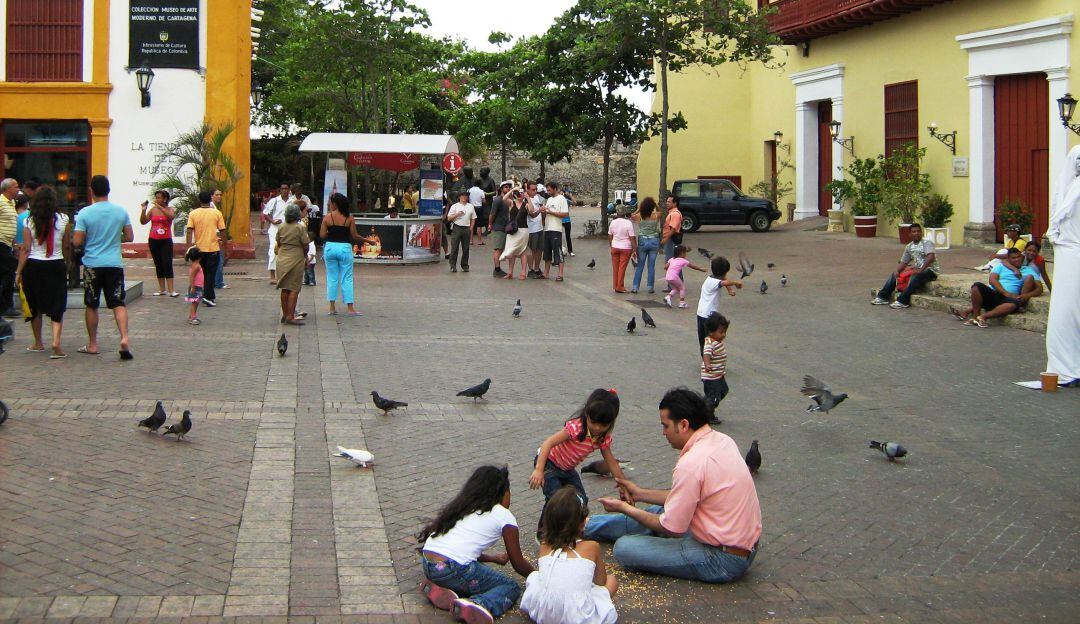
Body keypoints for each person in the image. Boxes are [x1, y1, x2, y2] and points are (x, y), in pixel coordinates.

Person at [583, 387, 762, 583]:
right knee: (657, 509)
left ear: (683, 425)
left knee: (625, 548)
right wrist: (640, 493)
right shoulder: (722, 441)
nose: (663, 433)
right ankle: (584, 526)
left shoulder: (692, 463)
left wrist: (625, 508)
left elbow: (671, 527)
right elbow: (687, 497)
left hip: (722, 559)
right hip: (741, 544)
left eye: (665, 426)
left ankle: (588, 527)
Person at [418, 465, 535, 624]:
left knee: (466, 576)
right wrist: (539, 578)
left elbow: (460, 547)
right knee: (510, 586)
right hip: (453, 568)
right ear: (502, 493)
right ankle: (478, 604)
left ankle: (445, 589)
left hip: (429, 564)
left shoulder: (464, 506)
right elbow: (518, 564)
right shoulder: (505, 516)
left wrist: (492, 558)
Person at [530, 389, 628, 538]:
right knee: (555, 498)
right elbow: (547, 444)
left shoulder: (603, 438)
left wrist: (624, 485)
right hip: (549, 463)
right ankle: (543, 535)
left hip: (567, 469)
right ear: (587, 415)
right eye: (593, 422)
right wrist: (538, 470)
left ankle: (572, 531)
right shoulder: (576, 428)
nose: (596, 428)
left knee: (581, 499)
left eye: (602, 425)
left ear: (611, 423)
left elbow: (612, 464)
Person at [519, 486, 618, 624]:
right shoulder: (592, 546)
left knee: (535, 576)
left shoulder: (544, 545)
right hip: (578, 618)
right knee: (612, 580)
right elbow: (601, 582)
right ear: (582, 523)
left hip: (545, 613)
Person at [74, 175, 134, 359]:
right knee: (118, 302)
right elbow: (130, 237)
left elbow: (77, 241)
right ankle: (124, 338)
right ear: (109, 190)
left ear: (91, 191)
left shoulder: (85, 213)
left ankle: (92, 344)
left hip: (92, 263)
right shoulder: (120, 211)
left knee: (91, 304)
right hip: (114, 263)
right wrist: (115, 238)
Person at [14, 185, 71, 358]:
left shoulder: (28, 221)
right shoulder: (63, 219)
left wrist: (18, 272)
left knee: (35, 305)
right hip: (55, 264)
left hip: (34, 266)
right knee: (57, 304)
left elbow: (26, 249)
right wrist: (68, 263)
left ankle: (38, 342)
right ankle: (56, 342)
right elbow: (66, 245)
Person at [1046, 144, 1080, 386]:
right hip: (1070, 254)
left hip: (1071, 252)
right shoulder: (1069, 188)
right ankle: (1067, 367)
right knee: (1066, 313)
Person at [951, 247, 1042, 328]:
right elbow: (992, 280)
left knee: (1012, 305)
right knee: (976, 286)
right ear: (1008, 259)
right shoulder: (1001, 266)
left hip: (1009, 299)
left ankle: (983, 317)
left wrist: (1026, 295)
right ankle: (975, 317)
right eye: (1013, 258)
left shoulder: (1028, 270)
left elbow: (1039, 288)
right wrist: (1005, 292)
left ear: (1022, 257)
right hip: (995, 293)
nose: (1017, 259)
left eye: (1018, 257)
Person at [870, 223, 939, 309]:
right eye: (914, 232)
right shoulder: (909, 246)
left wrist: (920, 270)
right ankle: (883, 297)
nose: (916, 233)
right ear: (910, 234)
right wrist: (897, 271)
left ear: (921, 233)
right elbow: (904, 262)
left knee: (916, 276)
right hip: (918, 269)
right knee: (894, 274)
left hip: (930, 270)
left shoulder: (927, 243)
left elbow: (930, 257)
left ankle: (903, 301)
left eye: (918, 231)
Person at [321, 193, 368, 316]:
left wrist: (330, 236)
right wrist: (368, 241)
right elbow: (355, 236)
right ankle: (350, 308)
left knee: (332, 277)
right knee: (347, 277)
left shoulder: (327, 217)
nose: (330, 204)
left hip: (330, 247)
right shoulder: (349, 218)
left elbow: (322, 235)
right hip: (344, 248)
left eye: (331, 202)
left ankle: (332, 307)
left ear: (335, 203)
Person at [184, 191, 226, 308]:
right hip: (213, 248)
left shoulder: (193, 213)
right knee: (210, 274)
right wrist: (225, 247)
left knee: (198, 273)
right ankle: (208, 296)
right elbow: (222, 231)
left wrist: (188, 247)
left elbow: (189, 230)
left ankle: (198, 295)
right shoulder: (217, 213)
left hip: (198, 250)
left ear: (199, 200)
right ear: (210, 199)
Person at [275, 205, 310, 325]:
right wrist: (306, 257)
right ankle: (290, 316)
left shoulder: (281, 226)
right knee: (294, 288)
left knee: (284, 287)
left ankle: (285, 315)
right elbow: (305, 245)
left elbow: (278, 242)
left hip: (282, 258)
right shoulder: (299, 228)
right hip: (296, 258)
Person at [141, 190, 177, 297]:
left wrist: (161, 207)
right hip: (153, 239)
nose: (157, 199)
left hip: (166, 240)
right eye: (156, 197)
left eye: (159, 197)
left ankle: (171, 290)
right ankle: (162, 289)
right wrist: (143, 210)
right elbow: (143, 222)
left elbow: (171, 217)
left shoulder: (169, 209)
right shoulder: (152, 210)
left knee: (167, 263)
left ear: (165, 199)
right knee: (158, 263)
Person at [701, 312, 730, 425]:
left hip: (718, 375)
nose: (723, 335)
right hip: (711, 377)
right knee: (713, 398)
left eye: (725, 332)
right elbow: (706, 354)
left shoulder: (717, 341)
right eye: (721, 332)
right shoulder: (709, 343)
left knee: (723, 391)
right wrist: (707, 364)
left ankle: (706, 406)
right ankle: (706, 414)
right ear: (711, 332)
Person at [630, 197, 661, 294]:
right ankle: (650, 287)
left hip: (643, 240)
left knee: (640, 265)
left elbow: (632, 215)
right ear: (652, 207)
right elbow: (660, 210)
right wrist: (655, 204)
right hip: (654, 241)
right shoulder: (656, 215)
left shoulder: (640, 216)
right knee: (651, 266)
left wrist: (639, 208)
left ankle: (635, 287)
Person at [262, 183, 291, 283]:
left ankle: (283, 275)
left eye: (286, 189)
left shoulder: (292, 201)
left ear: (289, 190)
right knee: (274, 250)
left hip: (288, 229)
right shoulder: (274, 201)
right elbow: (265, 213)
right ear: (280, 190)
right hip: (275, 229)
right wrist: (272, 220)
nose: (284, 190)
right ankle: (272, 275)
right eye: (282, 189)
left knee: (287, 251)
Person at [499, 188, 530, 280]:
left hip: (523, 229)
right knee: (511, 249)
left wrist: (528, 198)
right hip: (513, 230)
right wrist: (513, 189)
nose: (520, 195)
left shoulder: (526, 204)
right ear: (514, 195)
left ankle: (523, 272)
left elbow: (531, 211)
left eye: (521, 193)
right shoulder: (512, 203)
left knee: (523, 250)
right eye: (518, 193)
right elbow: (504, 198)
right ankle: (510, 272)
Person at [0, 178, 19, 318]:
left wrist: (13, 243)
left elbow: (11, 223)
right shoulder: (1, 202)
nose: (18, 189)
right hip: (0, 241)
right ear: (7, 189)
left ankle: (6, 304)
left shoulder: (12, 202)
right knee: (9, 271)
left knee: (7, 272)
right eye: (15, 187)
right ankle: (7, 305)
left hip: (7, 243)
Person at [542, 182, 569, 281]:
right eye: (547, 190)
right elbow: (547, 213)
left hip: (556, 228)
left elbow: (565, 214)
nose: (548, 192)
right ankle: (546, 273)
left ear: (555, 189)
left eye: (549, 190)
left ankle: (560, 274)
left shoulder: (561, 199)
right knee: (547, 251)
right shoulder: (549, 199)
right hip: (548, 228)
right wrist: (544, 212)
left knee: (557, 250)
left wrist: (552, 212)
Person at [607, 207, 636, 293]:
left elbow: (609, 235)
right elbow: (632, 237)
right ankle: (620, 286)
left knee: (615, 267)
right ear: (625, 213)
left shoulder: (613, 222)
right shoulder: (628, 223)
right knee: (622, 267)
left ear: (617, 213)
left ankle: (615, 285)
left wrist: (611, 245)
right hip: (626, 248)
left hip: (615, 246)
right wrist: (634, 249)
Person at [447, 190, 476, 273]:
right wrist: (457, 214)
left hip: (466, 228)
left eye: (466, 196)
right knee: (454, 247)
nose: (464, 197)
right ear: (459, 197)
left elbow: (473, 218)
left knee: (466, 248)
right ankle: (452, 265)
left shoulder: (471, 206)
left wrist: (471, 228)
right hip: (457, 227)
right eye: (462, 196)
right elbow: (449, 218)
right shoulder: (455, 206)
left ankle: (465, 265)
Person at [489, 181, 512, 277]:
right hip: (498, 227)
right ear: (501, 189)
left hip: (506, 227)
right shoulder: (498, 200)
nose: (508, 189)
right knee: (498, 249)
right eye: (506, 187)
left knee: (501, 249)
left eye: (509, 187)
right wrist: (490, 224)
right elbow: (492, 214)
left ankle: (498, 269)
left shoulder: (509, 200)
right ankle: (497, 269)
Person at [209, 188, 229, 291]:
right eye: (217, 195)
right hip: (215, 237)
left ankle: (215, 281)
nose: (219, 196)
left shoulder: (213, 207)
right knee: (219, 260)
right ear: (211, 196)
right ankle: (218, 282)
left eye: (220, 195)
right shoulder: (212, 209)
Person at [526, 182, 546, 278]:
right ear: (528, 190)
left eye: (536, 189)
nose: (535, 191)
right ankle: (530, 269)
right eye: (533, 190)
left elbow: (543, 206)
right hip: (531, 229)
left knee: (539, 249)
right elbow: (532, 214)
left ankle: (537, 268)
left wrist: (544, 211)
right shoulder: (527, 200)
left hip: (539, 227)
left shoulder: (538, 198)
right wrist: (539, 210)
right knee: (532, 250)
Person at [184, 246, 204, 325]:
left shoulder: (195, 265)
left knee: (196, 302)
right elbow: (192, 276)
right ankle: (193, 317)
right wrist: (192, 287)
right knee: (194, 302)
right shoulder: (196, 266)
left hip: (197, 286)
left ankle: (192, 315)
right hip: (195, 287)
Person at [468, 180, 485, 246]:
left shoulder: (469, 190)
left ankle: (471, 240)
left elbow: (467, 198)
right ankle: (480, 241)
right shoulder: (481, 191)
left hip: (471, 208)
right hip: (479, 208)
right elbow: (483, 201)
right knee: (479, 225)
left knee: (471, 225)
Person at [561, 186, 575, 257]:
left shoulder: (566, 200)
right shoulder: (557, 200)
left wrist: (569, 195)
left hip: (566, 220)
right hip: (559, 220)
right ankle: (560, 250)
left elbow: (574, 203)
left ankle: (570, 251)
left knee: (568, 236)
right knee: (558, 235)